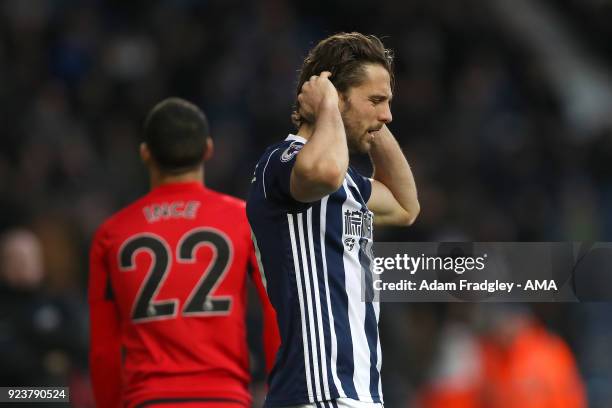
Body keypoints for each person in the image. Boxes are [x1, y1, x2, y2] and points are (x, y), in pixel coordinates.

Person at [247, 32, 420, 408]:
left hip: (355, 394)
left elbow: (407, 207)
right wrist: (328, 107)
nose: (388, 115)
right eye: (376, 101)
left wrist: (371, 122)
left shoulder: (350, 183)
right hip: (316, 392)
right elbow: (322, 172)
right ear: (334, 95)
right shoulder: (282, 162)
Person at [89, 97, 279, 408]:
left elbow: (103, 351)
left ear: (145, 153)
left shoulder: (112, 234)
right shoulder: (245, 220)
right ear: (208, 149)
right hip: (225, 398)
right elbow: (277, 314)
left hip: (148, 399)